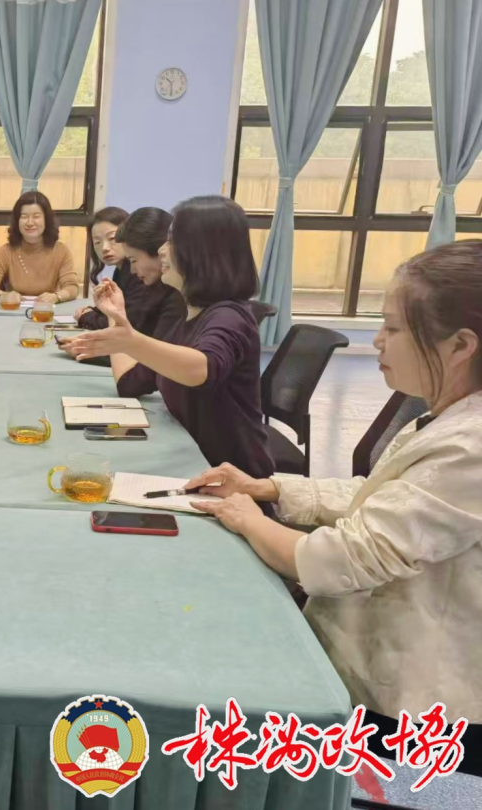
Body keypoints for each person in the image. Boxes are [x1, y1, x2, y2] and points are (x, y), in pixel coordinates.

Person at [185, 240, 482, 777]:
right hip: (371, 662)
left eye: (392, 328)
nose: (378, 342)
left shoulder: (470, 446)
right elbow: (383, 498)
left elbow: (347, 558)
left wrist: (247, 519)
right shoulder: (447, 416)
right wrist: (268, 489)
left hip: (409, 711)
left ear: (460, 345)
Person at [68, 196, 273, 479]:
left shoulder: (229, 317)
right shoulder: (188, 315)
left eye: (173, 241)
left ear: (202, 251)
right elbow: (135, 379)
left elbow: (202, 368)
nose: (162, 250)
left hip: (231, 481)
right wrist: (118, 319)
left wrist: (129, 340)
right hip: (191, 463)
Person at [75, 207, 185, 336]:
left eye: (112, 238)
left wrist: (88, 318)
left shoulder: (173, 292)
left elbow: (132, 326)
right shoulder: (122, 272)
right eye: (97, 242)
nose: (104, 248)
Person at [0, 191, 79, 303]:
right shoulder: (5, 252)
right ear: (17, 221)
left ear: (46, 220)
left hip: (46, 310)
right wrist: (2, 295)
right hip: (13, 310)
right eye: (24, 217)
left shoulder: (61, 251)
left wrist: (57, 297)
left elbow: (72, 287)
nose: (30, 222)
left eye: (36, 217)